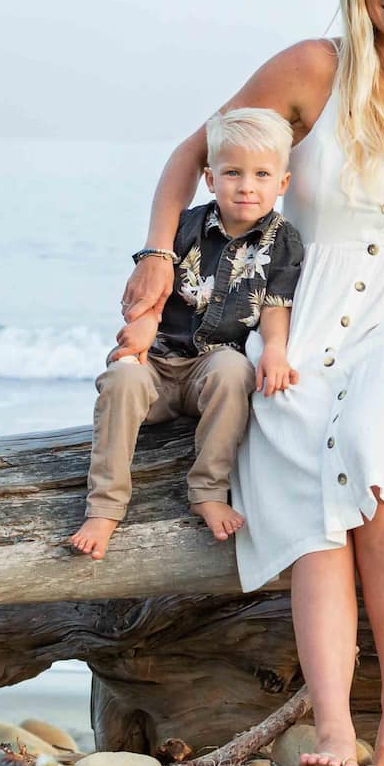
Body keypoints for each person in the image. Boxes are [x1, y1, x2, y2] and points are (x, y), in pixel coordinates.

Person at [119, 0, 384, 766]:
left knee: (372, 452)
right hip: (305, 307)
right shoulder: (312, 71)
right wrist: (155, 254)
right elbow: (193, 152)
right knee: (298, 448)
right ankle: (334, 722)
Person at [70, 107, 303, 560]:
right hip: (158, 363)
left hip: (210, 372)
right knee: (121, 380)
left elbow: (277, 305)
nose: (247, 185)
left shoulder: (283, 239)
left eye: (261, 174)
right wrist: (137, 337)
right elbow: (154, 296)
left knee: (235, 369)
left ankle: (208, 491)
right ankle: (105, 506)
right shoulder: (185, 227)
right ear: (211, 179)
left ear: (283, 183)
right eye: (233, 172)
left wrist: (275, 349)